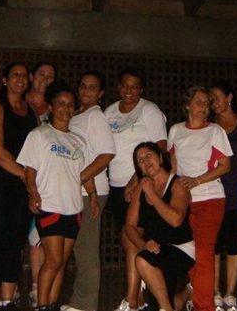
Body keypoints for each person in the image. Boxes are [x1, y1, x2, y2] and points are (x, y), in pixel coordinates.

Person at [17, 80, 100, 311]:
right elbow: (29, 168)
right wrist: (32, 192)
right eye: (61, 103)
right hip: (49, 206)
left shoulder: (79, 141)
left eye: (70, 104)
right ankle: (42, 305)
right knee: (52, 260)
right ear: (52, 107)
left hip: (73, 209)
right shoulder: (39, 134)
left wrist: (93, 195)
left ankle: (51, 304)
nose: (66, 108)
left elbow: (85, 173)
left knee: (62, 262)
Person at [105, 67, 167, 311]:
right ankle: (139, 295)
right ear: (118, 87)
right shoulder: (110, 112)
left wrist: (137, 178)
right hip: (115, 185)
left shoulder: (149, 110)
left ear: (141, 89)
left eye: (134, 86)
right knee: (128, 239)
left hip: (140, 184)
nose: (129, 90)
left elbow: (161, 147)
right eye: (125, 85)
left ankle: (132, 299)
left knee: (132, 236)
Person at [169, 85, 232, 311]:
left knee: (204, 253)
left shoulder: (215, 131)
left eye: (207, 103)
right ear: (187, 105)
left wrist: (197, 180)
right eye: (198, 101)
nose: (203, 107)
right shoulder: (175, 130)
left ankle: (204, 307)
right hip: (184, 201)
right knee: (189, 251)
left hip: (210, 198)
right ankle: (197, 299)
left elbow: (225, 166)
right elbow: (173, 167)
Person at [0, 63, 38, 311]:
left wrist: (29, 178)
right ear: (5, 79)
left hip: (21, 184)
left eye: (24, 75)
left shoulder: (30, 111)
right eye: (15, 75)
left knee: (15, 242)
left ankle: (7, 299)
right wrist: (24, 175)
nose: (20, 79)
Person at [62, 71, 116, 311]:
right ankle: (79, 300)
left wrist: (82, 176)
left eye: (92, 87)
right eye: (83, 85)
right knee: (79, 247)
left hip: (92, 191)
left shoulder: (96, 117)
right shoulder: (76, 115)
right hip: (75, 190)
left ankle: (85, 305)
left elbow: (107, 153)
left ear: (100, 93)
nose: (86, 90)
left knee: (86, 247)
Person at [125, 142, 194, 311]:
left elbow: (176, 220)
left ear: (161, 158)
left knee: (142, 260)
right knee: (155, 305)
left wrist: (152, 195)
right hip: (155, 250)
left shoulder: (178, 183)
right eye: (140, 160)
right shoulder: (141, 188)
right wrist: (143, 244)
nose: (145, 161)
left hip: (181, 248)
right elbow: (129, 226)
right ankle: (185, 294)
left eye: (149, 155)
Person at [209, 81, 237, 311]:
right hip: (212, 193)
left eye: (217, 97)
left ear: (229, 97)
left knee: (234, 243)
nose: (213, 102)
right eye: (210, 98)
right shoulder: (209, 126)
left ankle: (230, 293)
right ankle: (214, 291)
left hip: (236, 193)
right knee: (213, 244)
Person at [25, 61, 56, 305]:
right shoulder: (18, 102)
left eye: (50, 76)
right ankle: (8, 286)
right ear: (31, 76)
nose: (45, 78)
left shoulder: (55, 107)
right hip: (17, 174)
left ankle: (37, 286)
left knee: (39, 232)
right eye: (41, 73)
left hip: (46, 178)